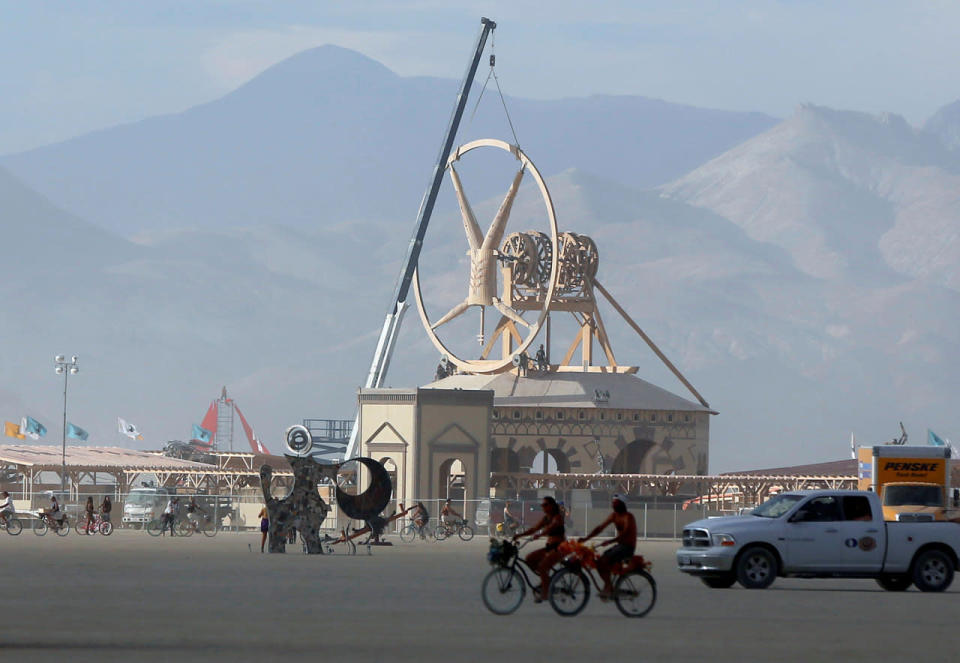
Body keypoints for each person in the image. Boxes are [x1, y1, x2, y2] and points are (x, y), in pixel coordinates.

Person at [579, 494, 637, 599]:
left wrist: (610, 541)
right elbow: (600, 528)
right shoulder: (614, 516)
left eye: (616, 503)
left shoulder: (628, 517)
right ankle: (608, 585)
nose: (613, 505)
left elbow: (625, 534)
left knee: (604, 560)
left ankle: (608, 587)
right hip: (619, 545)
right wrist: (586, 538)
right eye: (613, 503)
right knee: (600, 562)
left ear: (622, 504)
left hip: (627, 547)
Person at [515, 496, 566, 603]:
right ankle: (545, 581)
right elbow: (534, 529)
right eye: (542, 505)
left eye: (545, 505)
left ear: (552, 506)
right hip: (550, 547)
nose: (543, 507)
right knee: (530, 558)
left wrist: (540, 534)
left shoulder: (557, 517)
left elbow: (552, 527)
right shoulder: (546, 518)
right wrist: (519, 535)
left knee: (542, 567)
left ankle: (546, 592)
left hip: (560, 547)